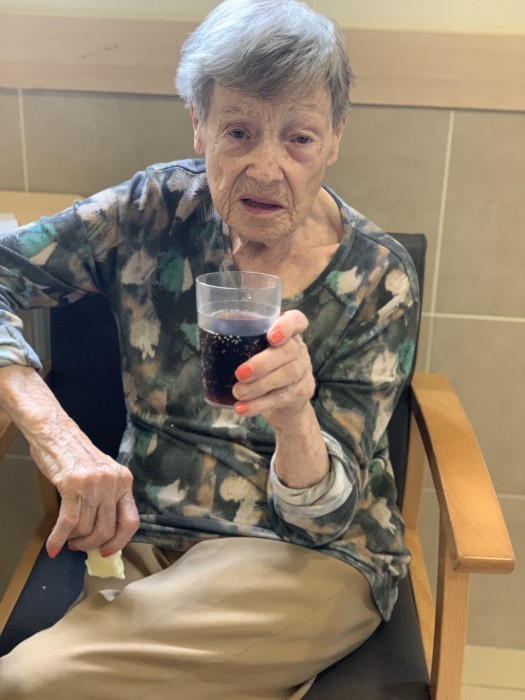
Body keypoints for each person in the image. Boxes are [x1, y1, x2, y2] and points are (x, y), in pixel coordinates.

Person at [0, 0, 420, 698]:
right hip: (147, 532)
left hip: (305, 558)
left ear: (335, 138)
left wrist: (295, 418)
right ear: (198, 124)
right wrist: (57, 437)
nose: (267, 167)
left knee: (31, 682)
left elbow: (327, 517)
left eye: (299, 138)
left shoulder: (375, 279)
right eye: (238, 131)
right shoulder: (150, 211)